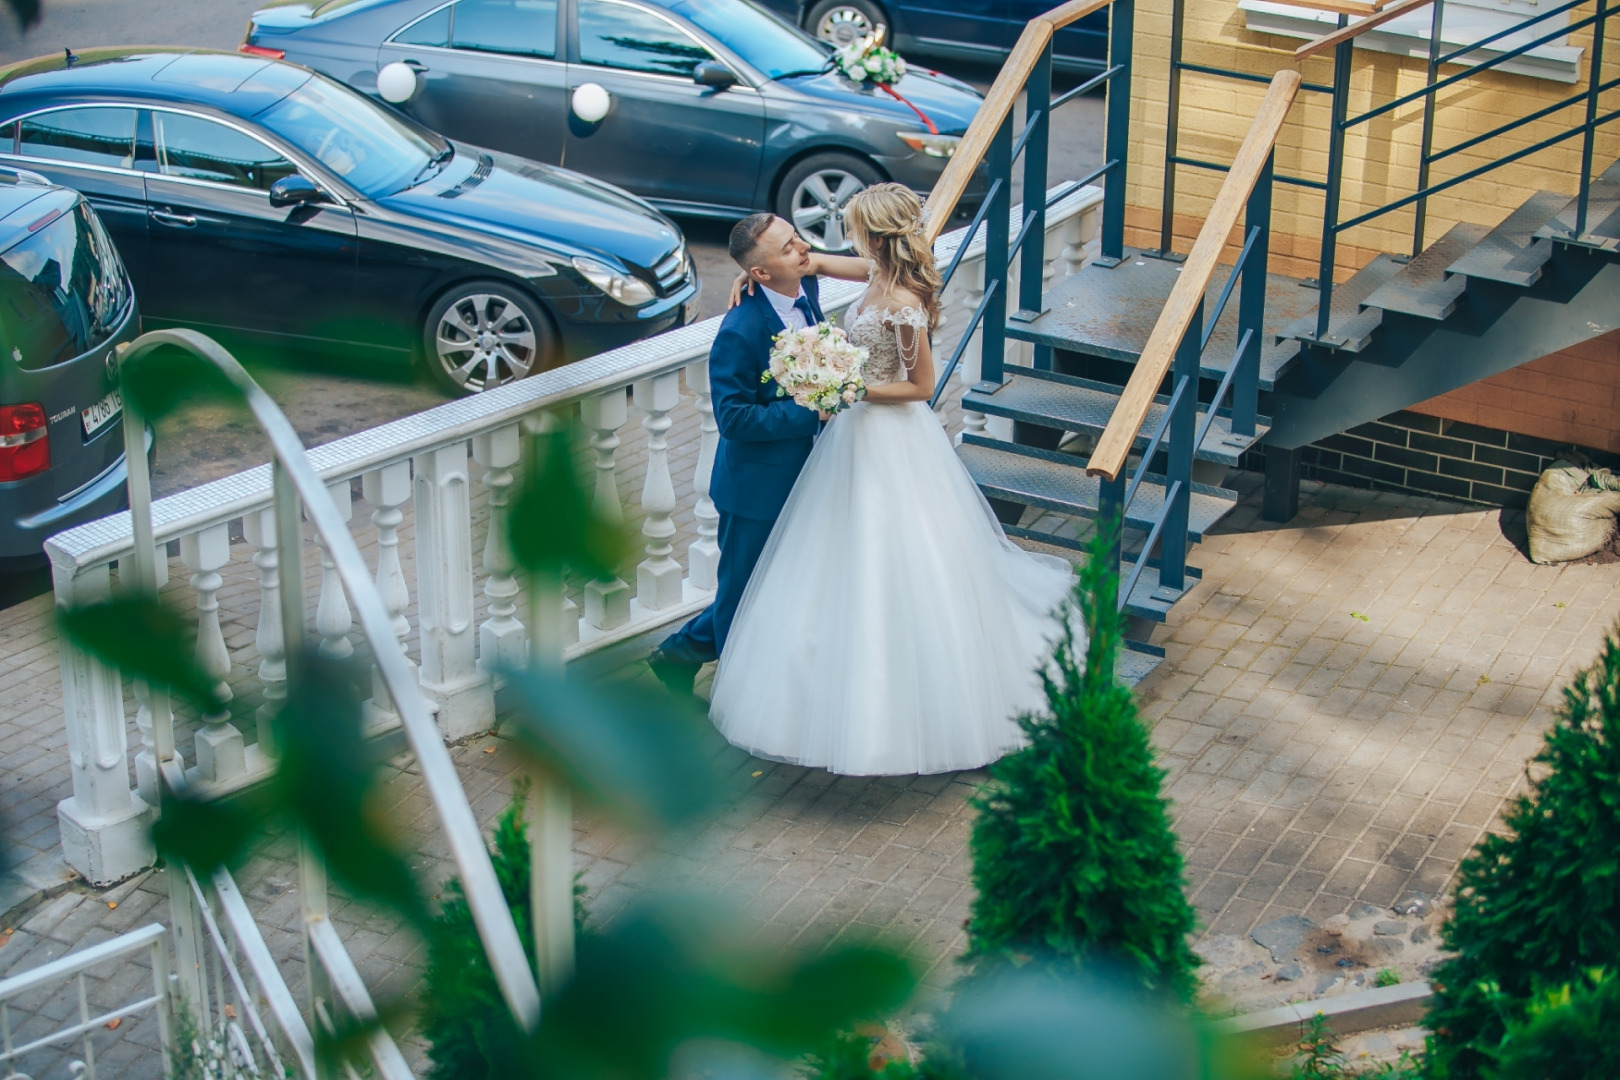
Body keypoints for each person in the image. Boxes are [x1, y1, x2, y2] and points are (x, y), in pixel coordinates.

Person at [705, 183, 1082, 776]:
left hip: (890, 432)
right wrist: (755, 276)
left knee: (905, 554)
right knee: (834, 553)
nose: (822, 245)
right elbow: (813, 263)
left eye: (853, 228)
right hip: (851, 438)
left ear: (876, 236)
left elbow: (921, 387)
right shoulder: (873, 268)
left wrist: (848, 388)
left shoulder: (903, 300)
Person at [647, 213, 868, 694]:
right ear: (762, 273)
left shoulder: (802, 288)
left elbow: (875, 268)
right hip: (755, 490)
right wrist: (815, 415)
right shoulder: (739, 330)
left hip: (810, 474)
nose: (803, 249)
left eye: (797, 238)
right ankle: (732, 690)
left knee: (788, 579)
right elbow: (734, 419)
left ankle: (682, 653)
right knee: (742, 591)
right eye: (789, 248)